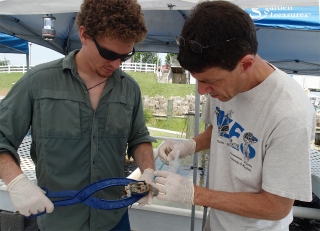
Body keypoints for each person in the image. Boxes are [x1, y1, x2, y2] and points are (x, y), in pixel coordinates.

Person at [152, 1, 316, 230]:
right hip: (217, 221)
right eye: (198, 80)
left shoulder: (289, 114)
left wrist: (194, 193)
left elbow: (277, 206)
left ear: (246, 64)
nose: (202, 91)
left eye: (209, 82)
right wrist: (188, 145)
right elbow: (220, 129)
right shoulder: (221, 83)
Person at [0, 0, 156, 230]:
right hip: (58, 220)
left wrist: (149, 171)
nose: (115, 64)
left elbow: (139, 137)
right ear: (84, 34)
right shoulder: (37, 82)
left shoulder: (129, 88)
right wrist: (15, 181)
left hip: (114, 219)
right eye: (108, 53)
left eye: (124, 56)